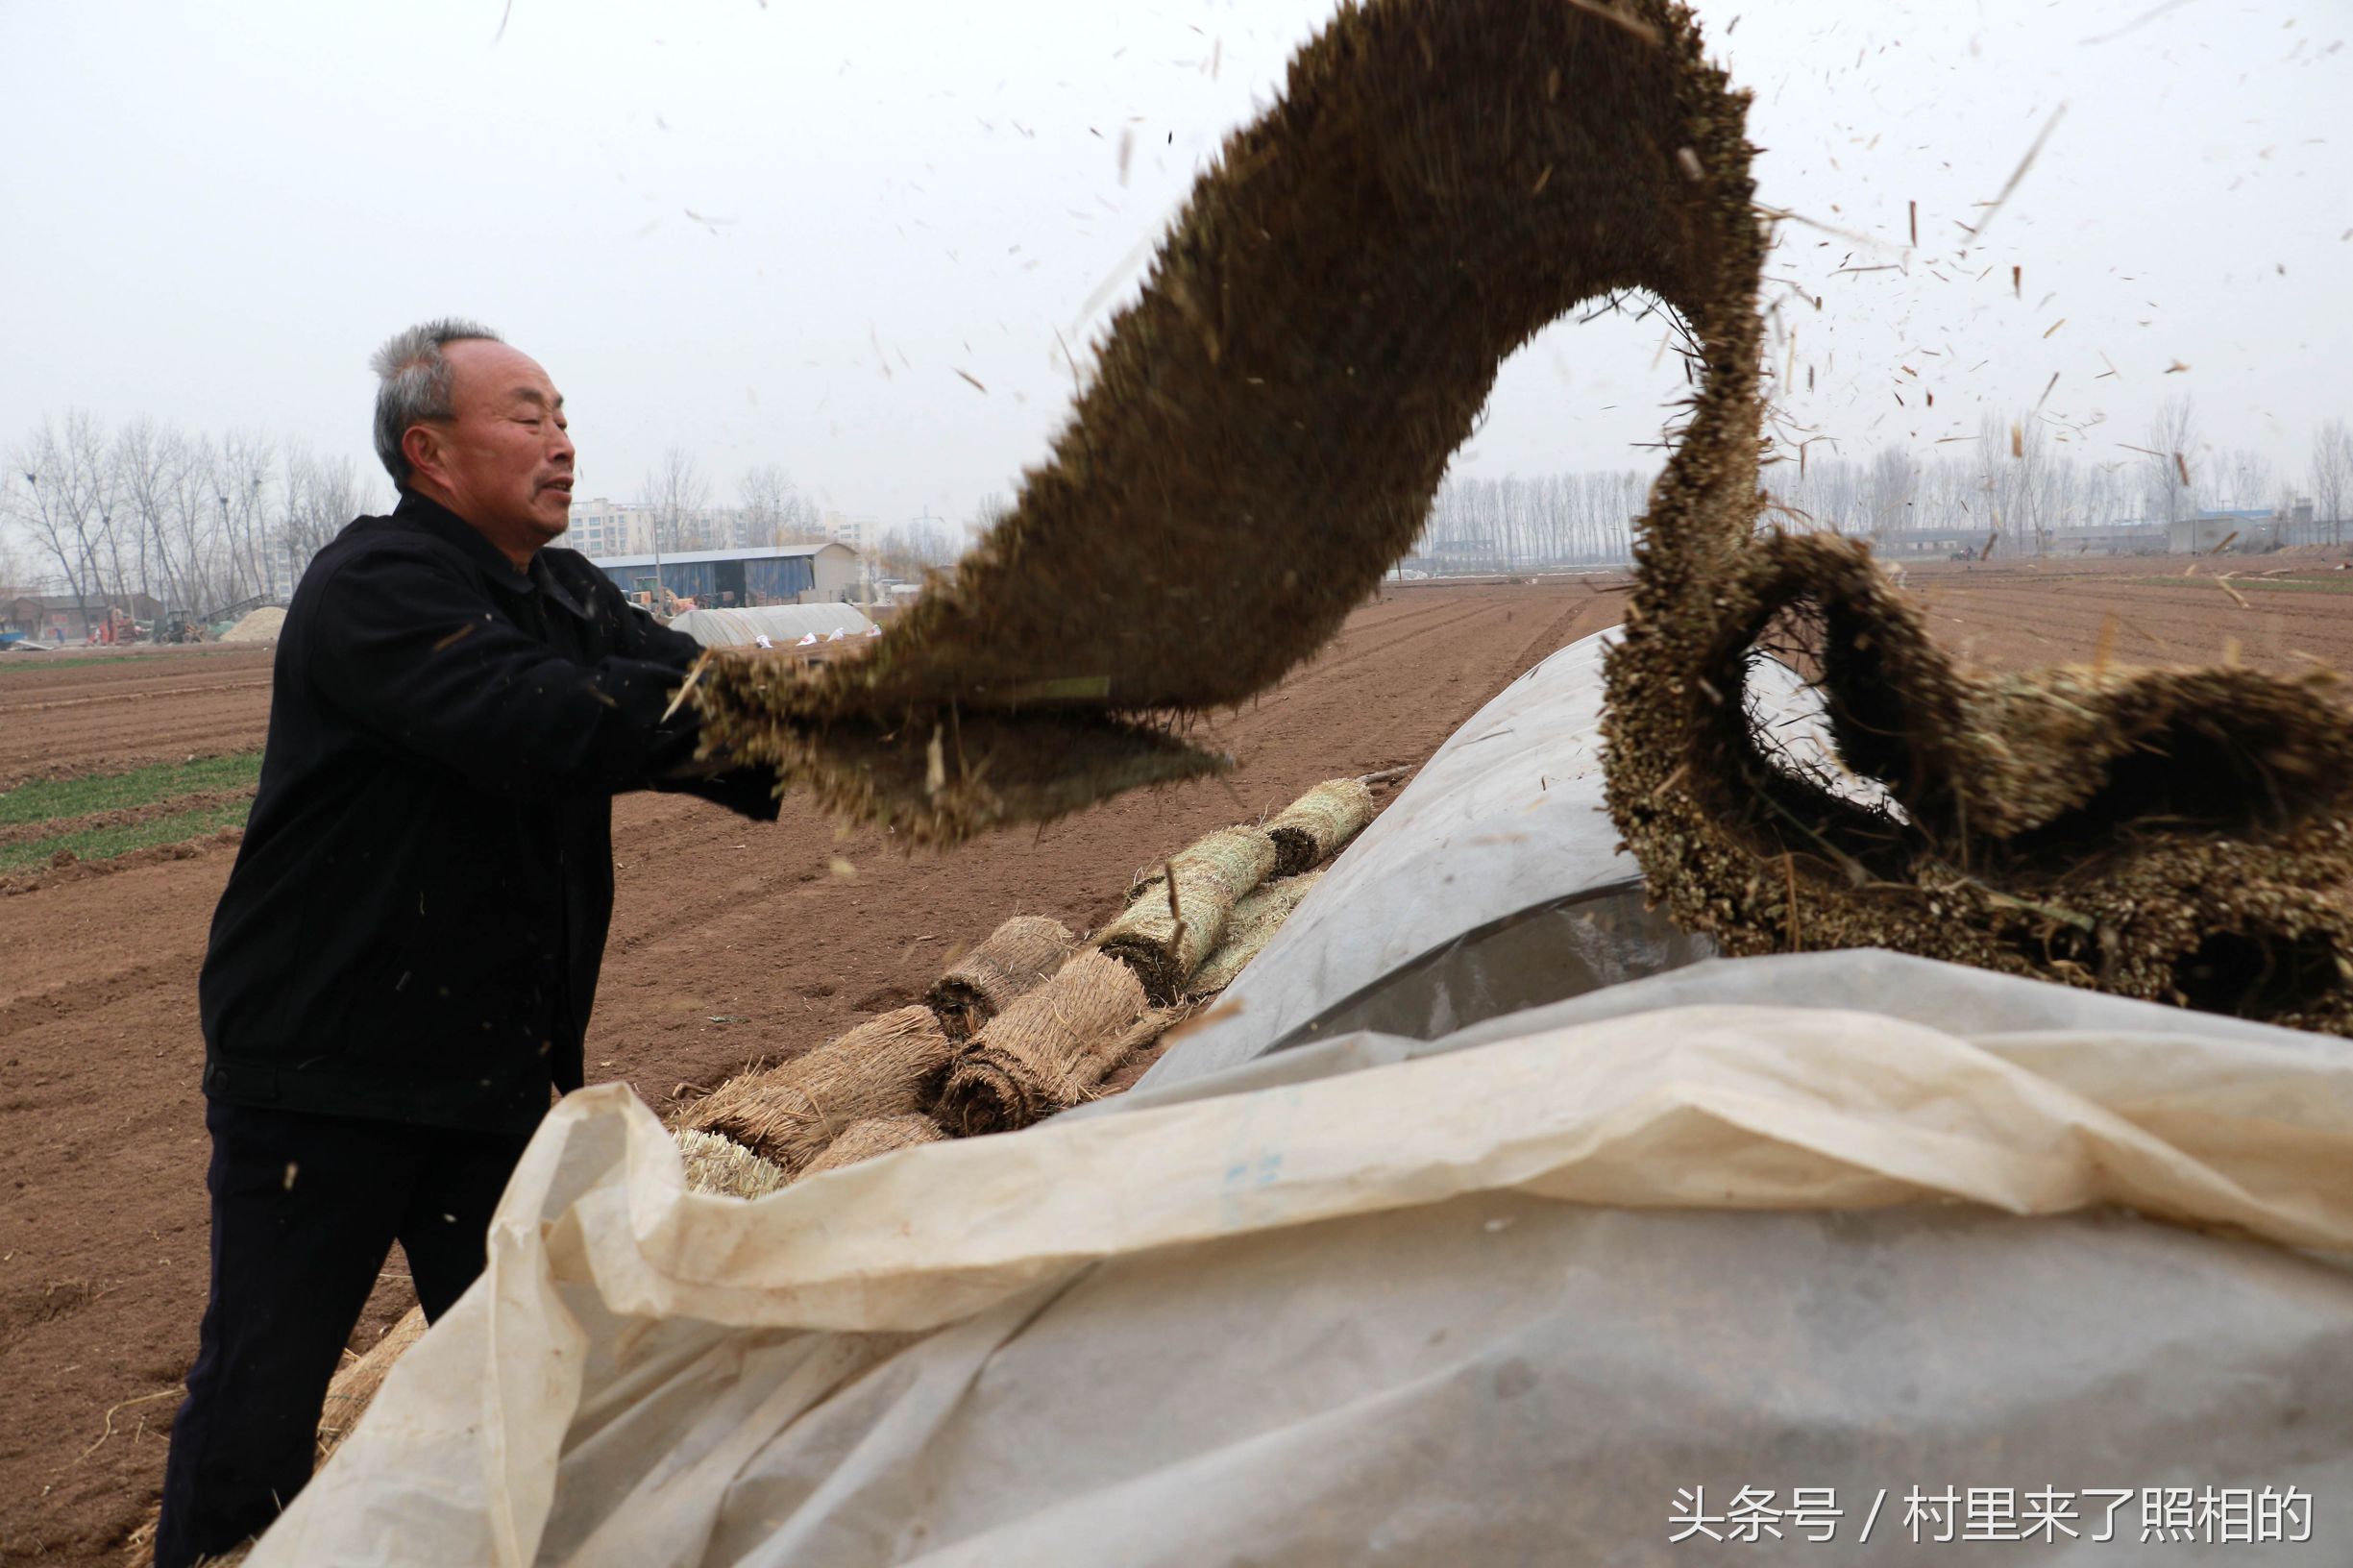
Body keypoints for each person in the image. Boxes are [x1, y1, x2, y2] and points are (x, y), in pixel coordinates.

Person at [155, 319, 778, 1565]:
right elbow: (535, 718)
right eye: (527, 415)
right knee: (260, 1410)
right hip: (322, 1074)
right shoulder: (376, 589)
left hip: (485, 1070)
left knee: (532, 1388)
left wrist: (869, 717)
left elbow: (706, 708)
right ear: (430, 451)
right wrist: (749, 718)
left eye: (561, 412)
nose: (561, 440)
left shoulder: (565, 591)